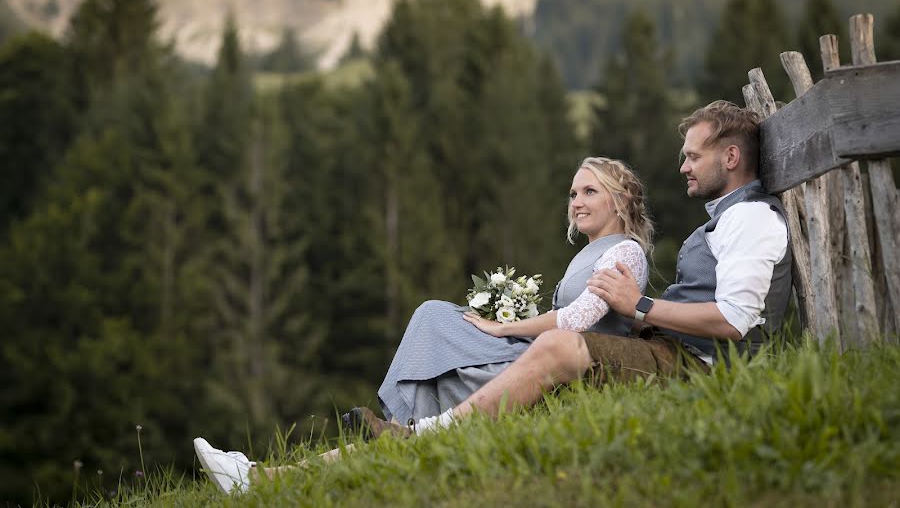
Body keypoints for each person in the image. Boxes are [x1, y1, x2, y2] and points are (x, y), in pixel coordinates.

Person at [193, 156, 655, 494]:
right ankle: (266, 474)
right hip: (543, 356)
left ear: (621, 199)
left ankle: (265, 476)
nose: (576, 201)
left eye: (589, 191)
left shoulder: (626, 251)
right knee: (435, 314)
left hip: (565, 372)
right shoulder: (588, 254)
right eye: (573, 193)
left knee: (437, 318)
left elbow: (577, 321)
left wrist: (501, 329)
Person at [346, 99, 790, 434]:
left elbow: (734, 319)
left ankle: (424, 434)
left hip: (701, 370)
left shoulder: (750, 218)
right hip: (673, 353)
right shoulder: (728, 220)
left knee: (560, 346)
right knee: (445, 320)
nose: (683, 167)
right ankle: (408, 421)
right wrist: (641, 319)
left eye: (694, 156)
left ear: (730, 158)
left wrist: (639, 305)